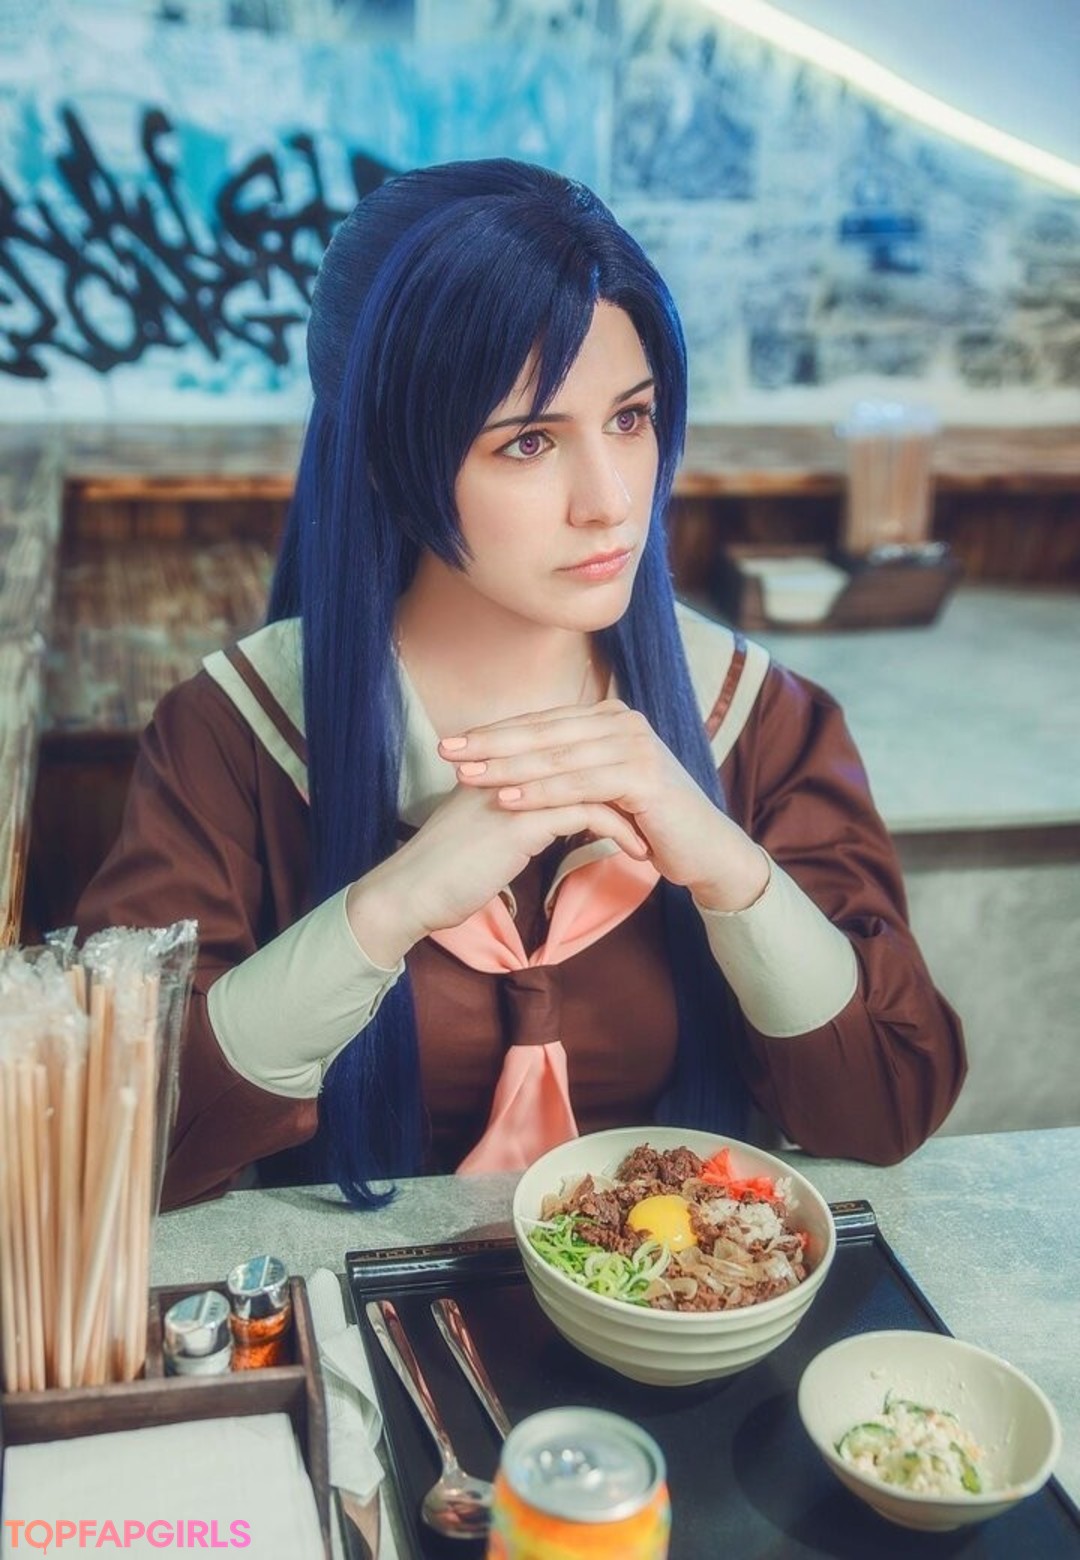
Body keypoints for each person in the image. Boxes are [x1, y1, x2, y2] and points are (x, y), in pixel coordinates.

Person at [77, 158, 966, 1211]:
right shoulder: (239, 733)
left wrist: (733, 873)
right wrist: (389, 906)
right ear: (386, 458)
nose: (610, 502)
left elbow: (885, 1108)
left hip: (685, 1296)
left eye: (631, 419)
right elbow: (105, 1145)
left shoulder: (755, 716)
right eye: (531, 441)